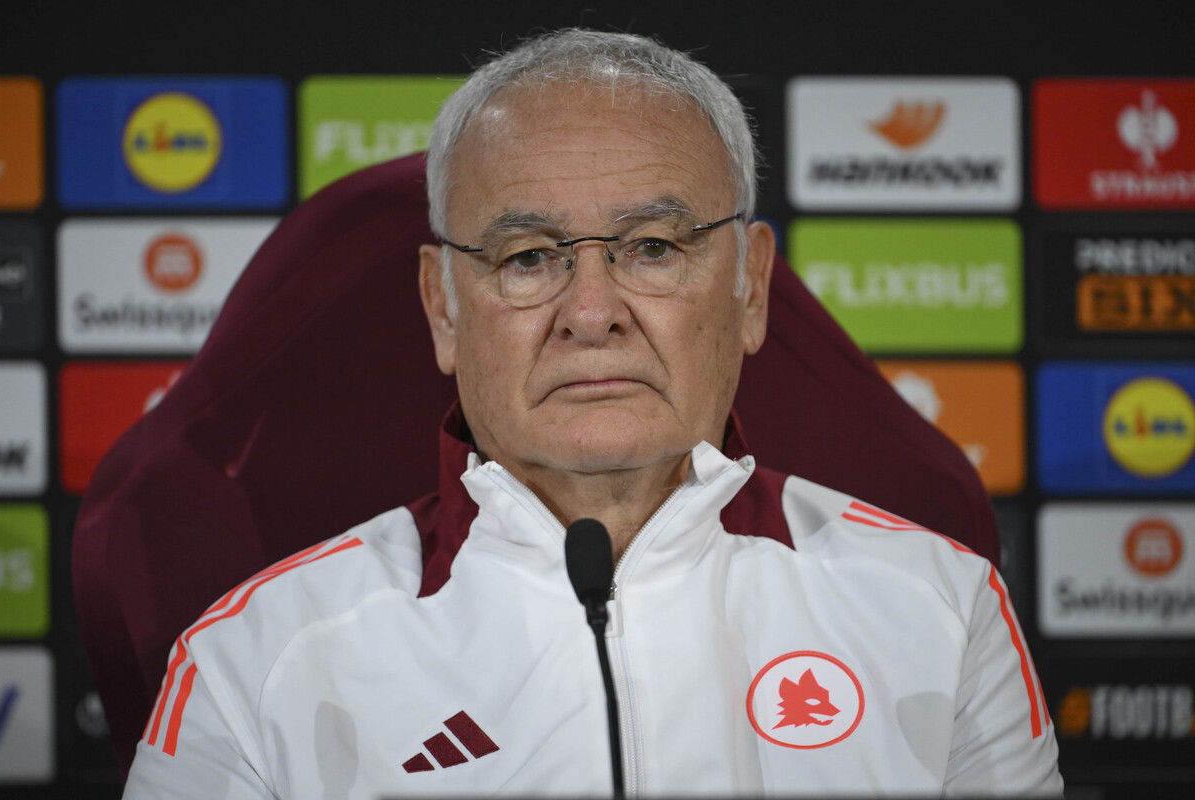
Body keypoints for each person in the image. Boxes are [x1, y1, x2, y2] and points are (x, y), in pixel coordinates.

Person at [122, 28, 1062, 797]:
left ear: (751, 288)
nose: (591, 310)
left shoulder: (940, 608)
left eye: (653, 247)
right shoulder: (255, 661)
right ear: (443, 309)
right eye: (528, 257)